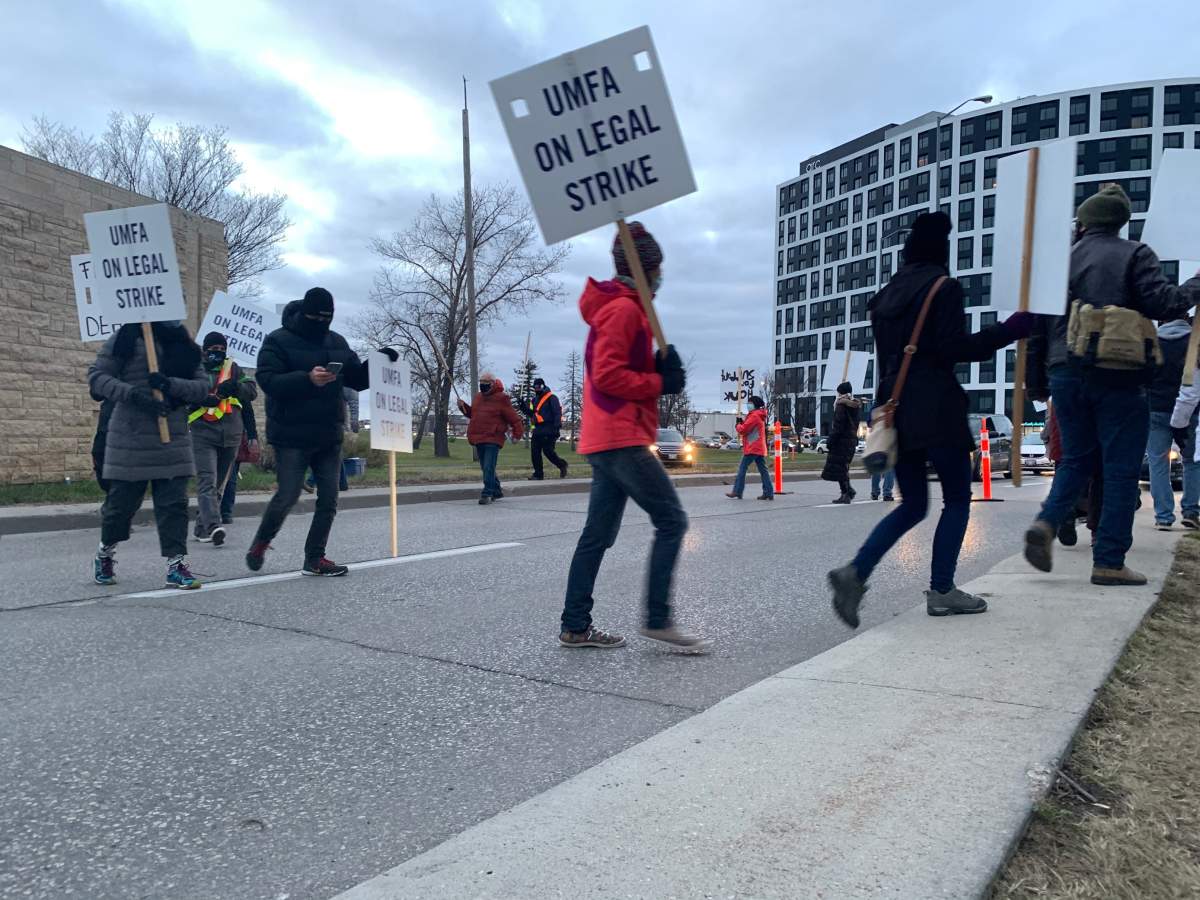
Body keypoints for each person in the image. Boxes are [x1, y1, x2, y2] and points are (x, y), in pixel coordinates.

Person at [828, 212, 1032, 627]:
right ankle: (942, 590)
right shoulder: (944, 287)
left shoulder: (885, 297)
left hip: (896, 410)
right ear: (943, 249)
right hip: (937, 408)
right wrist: (1010, 329)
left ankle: (857, 571)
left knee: (914, 505)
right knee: (957, 499)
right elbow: (954, 348)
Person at [1023, 186, 1200, 585]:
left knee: (1075, 460)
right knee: (1120, 470)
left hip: (1064, 373)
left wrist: (1036, 384)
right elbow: (1165, 304)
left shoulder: (1057, 263)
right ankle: (1109, 560)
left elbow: (1036, 330)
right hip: (1118, 374)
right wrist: (1196, 284)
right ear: (1120, 222)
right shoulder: (1135, 253)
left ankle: (1047, 522)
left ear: (1084, 222)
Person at [557, 221, 709, 652]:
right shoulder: (624, 311)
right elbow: (608, 375)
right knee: (672, 521)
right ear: (644, 271)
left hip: (607, 438)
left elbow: (618, 371)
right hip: (620, 437)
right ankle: (658, 618)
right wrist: (659, 382)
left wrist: (660, 369)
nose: (662, 277)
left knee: (597, 535)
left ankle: (575, 625)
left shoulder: (625, 310)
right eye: (657, 269)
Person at [246, 287, 382, 576]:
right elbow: (268, 380)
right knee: (288, 494)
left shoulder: (337, 341)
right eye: (316, 318)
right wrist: (307, 379)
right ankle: (261, 541)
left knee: (330, 499)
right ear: (304, 314)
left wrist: (380, 362)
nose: (322, 323)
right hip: (290, 434)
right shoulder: (278, 341)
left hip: (328, 434)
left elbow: (356, 379)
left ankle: (314, 558)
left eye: (327, 318)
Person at [88, 321, 210, 589]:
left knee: (174, 506)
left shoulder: (183, 341)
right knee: (120, 508)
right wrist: (132, 394)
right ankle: (105, 553)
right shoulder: (127, 336)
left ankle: (176, 565)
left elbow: (202, 387)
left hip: (172, 437)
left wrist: (171, 384)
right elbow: (97, 378)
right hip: (131, 439)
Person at [188, 332, 258, 546]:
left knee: (219, 484)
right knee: (207, 480)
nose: (217, 353)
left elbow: (251, 394)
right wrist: (200, 399)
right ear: (204, 350)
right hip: (203, 432)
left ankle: (201, 528)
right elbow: (183, 393)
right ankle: (213, 525)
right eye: (213, 349)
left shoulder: (233, 369)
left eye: (221, 349)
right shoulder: (194, 369)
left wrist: (237, 387)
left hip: (231, 435)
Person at [1146, 315, 1198, 530]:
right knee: (1192, 462)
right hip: (1189, 410)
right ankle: (1191, 511)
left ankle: (1163, 517)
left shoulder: (1151, 341)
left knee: (1158, 463)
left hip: (1156, 409)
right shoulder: (1194, 343)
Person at [458, 373, 523, 504]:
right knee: (486, 467)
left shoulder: (502, 399)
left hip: (493, 438)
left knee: (488, 467)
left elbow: (514, 419)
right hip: (478, 437)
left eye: (486, 382)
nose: (482, 385)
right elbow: (473, 414)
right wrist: (463, 407)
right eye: (481, 382)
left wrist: (517, 435)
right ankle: (497, 491)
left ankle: (487, 493)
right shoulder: (478, 397)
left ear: (493, 383)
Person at [304, 386, 359, 493]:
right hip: (324, 423)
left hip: (334, 425)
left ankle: (311, 481)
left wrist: (354, 421)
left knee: (326, 454)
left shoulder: (347, 383)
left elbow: (353, 401)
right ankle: (342, 484)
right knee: (335, 453)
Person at [725, 395, 774, 500]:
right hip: (758, 447)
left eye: (750, 403)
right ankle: (768, 492)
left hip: (753, 447)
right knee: (763, 470)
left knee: (742, 468)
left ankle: (737, 491)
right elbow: (750, 428)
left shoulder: (754, 416)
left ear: (754, 404)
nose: (748, 405)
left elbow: (743, 430)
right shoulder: (759, 416)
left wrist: (738, 425)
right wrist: (742, 423)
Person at [520, 377, 569, 480]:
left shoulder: (552, 397)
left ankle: (561, 464)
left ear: (543, 386)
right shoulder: (534, 400)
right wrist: (523, 407)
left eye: (539, 386)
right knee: (535, 452)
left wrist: (556, 428)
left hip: (550, 429)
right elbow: (532, 414)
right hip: (538, 429)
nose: (537, 389)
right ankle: (538, 474)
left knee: (548, 451)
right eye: (535, 387)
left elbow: (557, 413)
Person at [220, 402, 259, 524]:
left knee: (219, 475)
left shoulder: (213, 385)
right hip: (234, 434)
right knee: (230, 475)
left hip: (225, 434)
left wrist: (252, 436)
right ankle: (226, 512)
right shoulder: (239, 385)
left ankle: (217, 511)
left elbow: (247, 411)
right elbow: (248, 412)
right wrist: (253, 436)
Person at [822, 382, 862, 503]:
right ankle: (848, 491)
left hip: (841, 441)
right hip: (850, 440)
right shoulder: (855, 406)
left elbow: (838, 426)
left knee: (840, 468)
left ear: (840, 392)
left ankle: (846, 493)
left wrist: (830, 441)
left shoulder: (841, 405)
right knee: (843, 467)